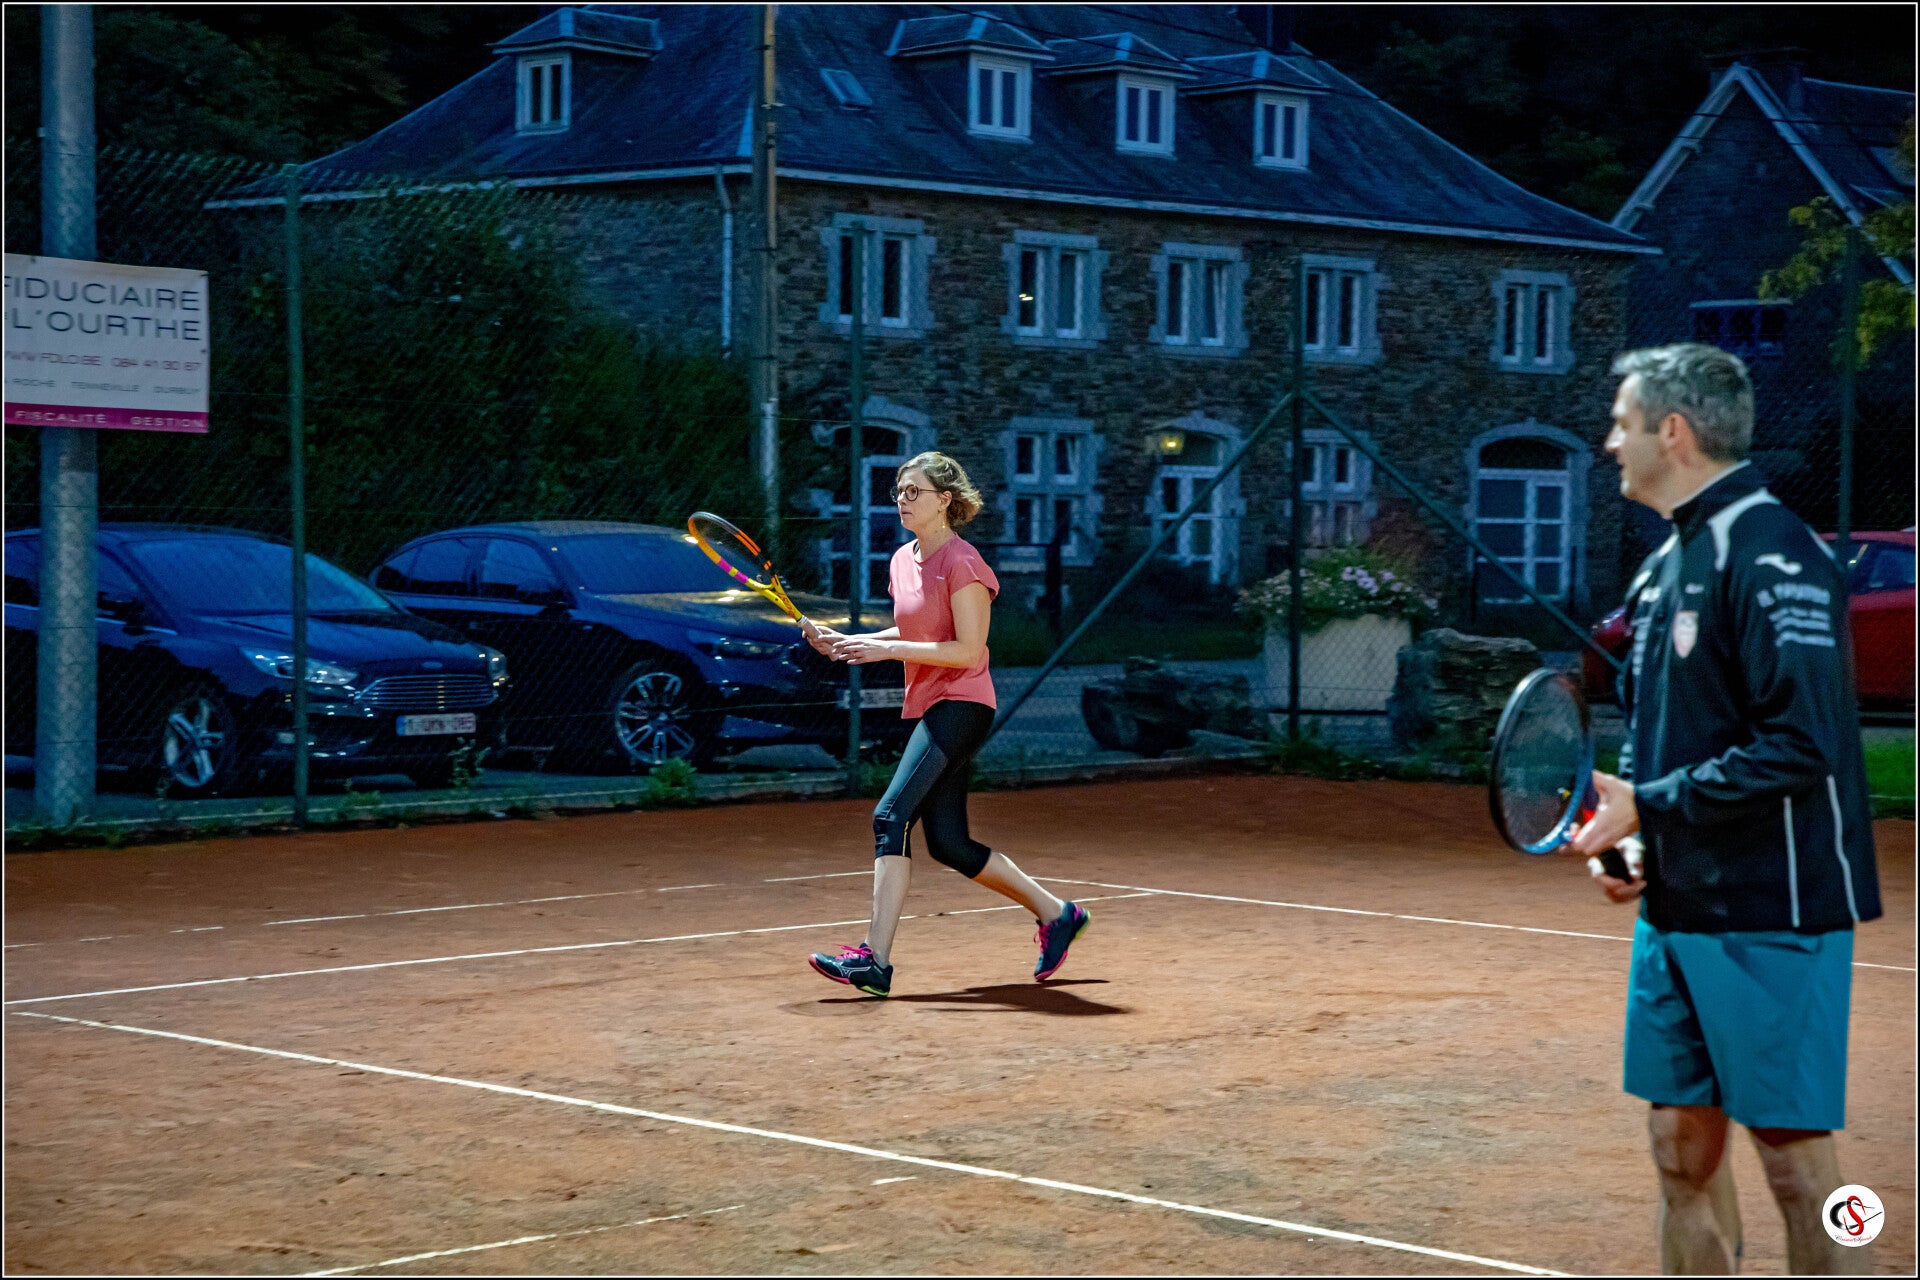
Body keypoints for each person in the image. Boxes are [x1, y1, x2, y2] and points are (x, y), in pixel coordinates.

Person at [1571, 343, 1882, 1275]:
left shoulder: (1775, 552)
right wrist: (1630, 840)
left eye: (1622, 424)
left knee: (1798, 1165)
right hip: (1679, 908)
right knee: (1679, 1148)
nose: (1609, 443)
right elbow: (1651, 732)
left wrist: (1651, 805)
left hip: (1774, 908)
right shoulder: (1663, 564)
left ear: (1673, 431)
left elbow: (1803, 744)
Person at [799, 451, 1089, 997]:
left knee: (890, 816)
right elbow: (914, 629)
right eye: (899, 491)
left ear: (944, 501)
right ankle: (1058, 914)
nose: (902, 500)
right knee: (950, 844)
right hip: (931, 704)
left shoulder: (963, 563)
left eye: (914, 491)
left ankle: (874, 961)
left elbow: (966, 649)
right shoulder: (901, 560)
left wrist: (885, 651)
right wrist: (849, 641)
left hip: (963, 703)